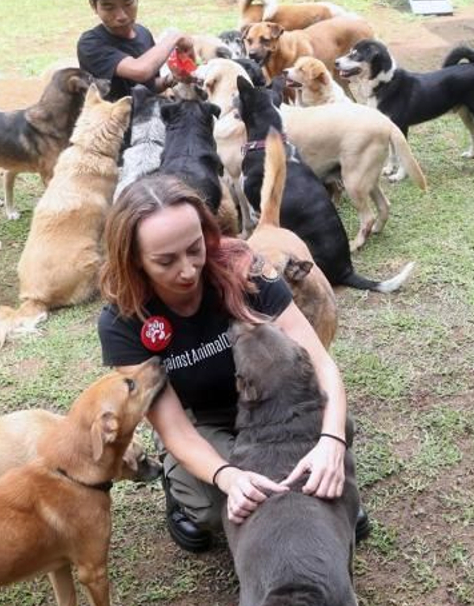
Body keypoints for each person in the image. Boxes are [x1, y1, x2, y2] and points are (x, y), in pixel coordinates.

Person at [96, 174, 367, 552]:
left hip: (272, 402)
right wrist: (227, 477)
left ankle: (321, 494)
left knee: (339, 426)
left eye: (195, 248)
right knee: (216, 506)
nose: (188, 270)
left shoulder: (243, 267)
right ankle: (182, 488)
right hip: (200, 419)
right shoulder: (123, 319)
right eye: (165, 261)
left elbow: (321, 364)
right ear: (135, 260)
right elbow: (173, 426)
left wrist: (332, 441)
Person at [76, 0, 183, 101]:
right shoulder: (90, 44)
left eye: (128, 3)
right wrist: (175, 38)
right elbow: (141, 71)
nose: (121, 16)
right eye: (109, 8)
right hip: (114, 121)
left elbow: (149, 87)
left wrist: (170, 79)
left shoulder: (143, 34)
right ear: (93, 6)